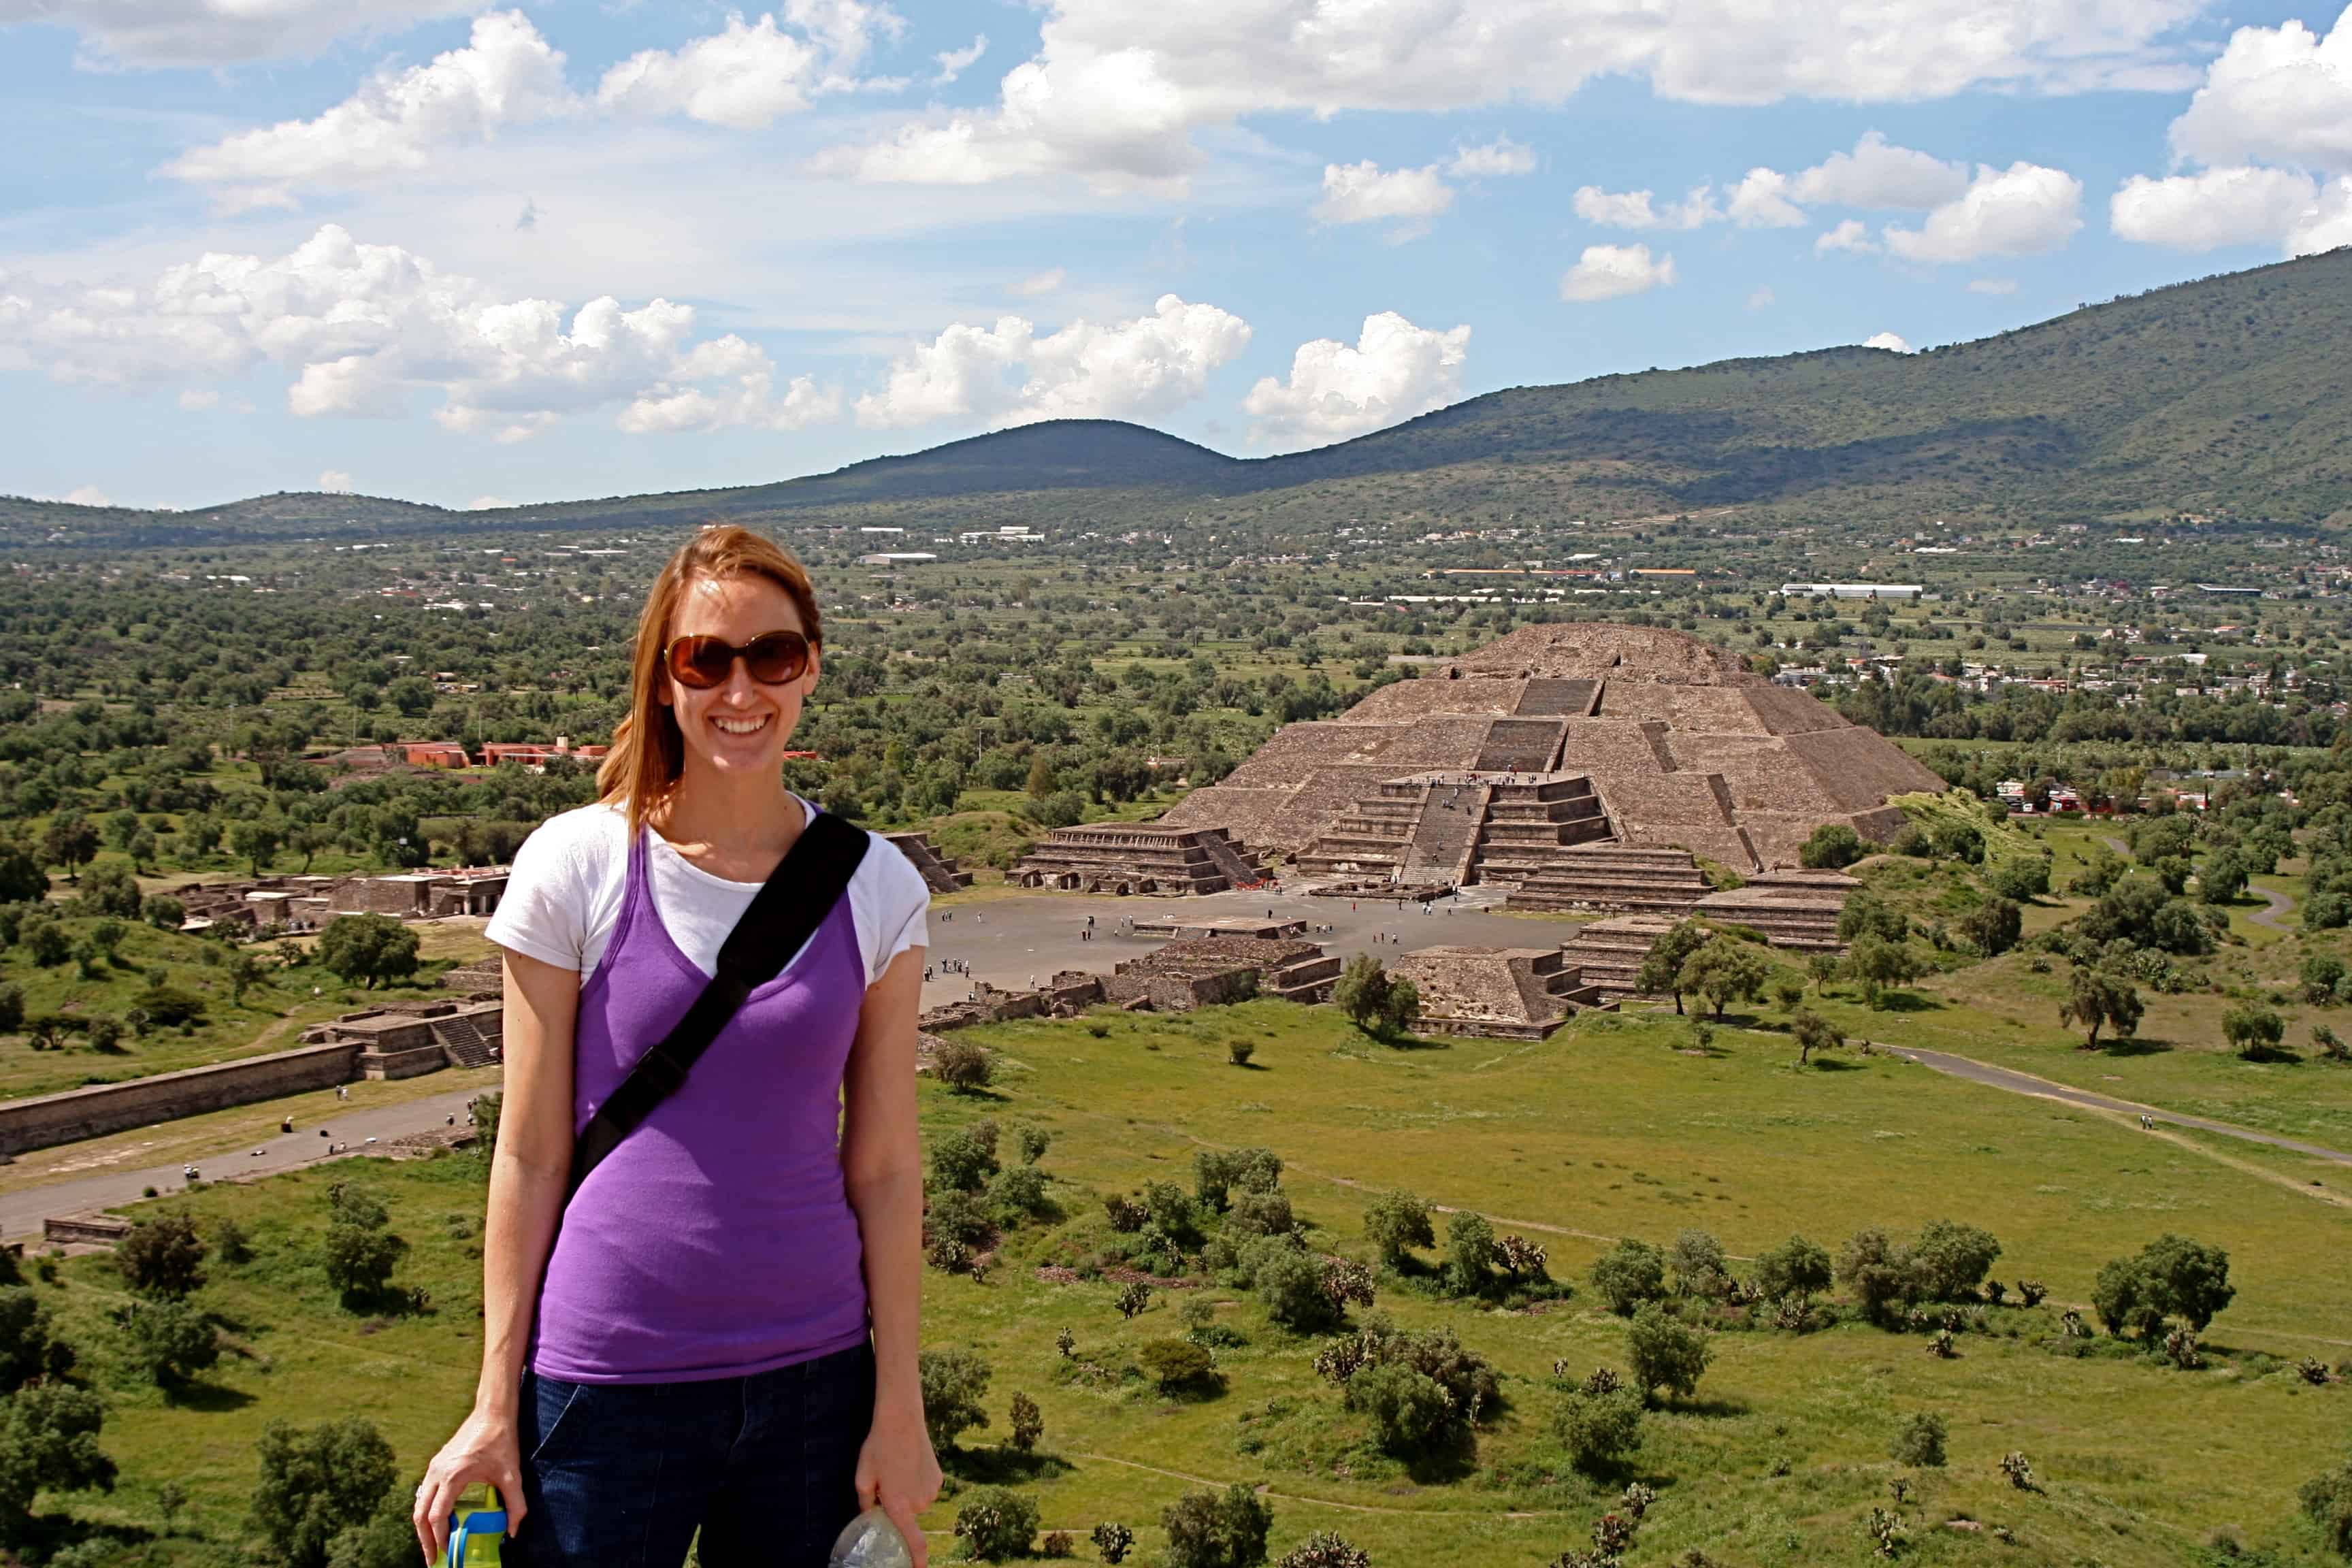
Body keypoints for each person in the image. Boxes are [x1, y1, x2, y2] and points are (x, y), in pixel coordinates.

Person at [414, 526, 940, 1568]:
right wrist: (490, 1402)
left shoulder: (876, 884)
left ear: (811, 669)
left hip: (813, 1376)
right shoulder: (578, 863)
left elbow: (882, 1165)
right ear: (664, 677)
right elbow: (526, 1153)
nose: (740, 689)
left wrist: (901, 1404)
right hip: (607, 1373)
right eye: (707, 658)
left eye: (772, 656)